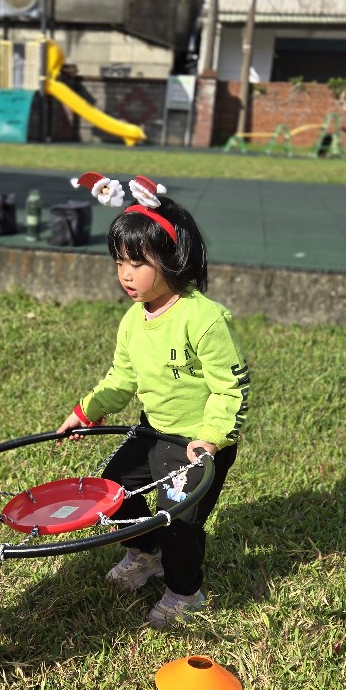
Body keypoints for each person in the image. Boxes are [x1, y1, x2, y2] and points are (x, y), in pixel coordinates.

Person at [57, 174, 249, 628]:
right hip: (152, 431)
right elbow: (122, 377)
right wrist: (87, 410)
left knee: (177, 522)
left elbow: (231, 389)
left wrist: (210, 439)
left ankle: (185, 593)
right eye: (119, 261)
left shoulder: (203, 319)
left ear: (173, 258)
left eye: (138, 262)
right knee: (111, 492)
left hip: (196, 444)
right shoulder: (132, 320)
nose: (126, 274)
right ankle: (145, 554)